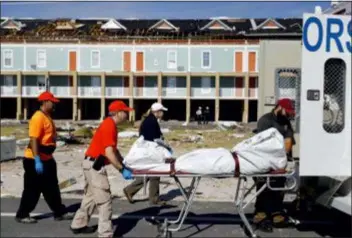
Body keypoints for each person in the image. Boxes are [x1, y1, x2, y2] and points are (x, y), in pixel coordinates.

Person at [70, 100, 134, 237]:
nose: (127, 115)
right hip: (95, 166)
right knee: (104, 201)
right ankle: (105, 234)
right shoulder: (109, 126)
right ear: (118, 113)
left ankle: (78, 224)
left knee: (91, 196)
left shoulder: (110, 125)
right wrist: (122, 170)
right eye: (125, 112)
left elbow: (114, 151)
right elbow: (109, 153)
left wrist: (124, 165)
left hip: (89, 164)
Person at [15, 91, 74, 223]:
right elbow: (34, 139)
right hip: (35, 159)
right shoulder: (38, 118)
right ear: (45, 102)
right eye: (52, 102)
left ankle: (59, 212)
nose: (54, 105)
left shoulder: (47, 117)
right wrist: (37, 160)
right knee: (32, 189)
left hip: (47, 158)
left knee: (52, 188)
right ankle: (22, 214)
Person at [253, 98, 296, 232]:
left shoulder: (286, 122)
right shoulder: (265, 120)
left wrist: (284, 158)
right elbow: (263, 144)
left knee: (278, 188)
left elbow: (288, 142)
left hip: (279, 160)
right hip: (264, 160)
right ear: (279, 107)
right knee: (264, 188)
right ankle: (260, 215)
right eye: (287, 111)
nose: (288, 114)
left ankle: (276, 214)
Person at [123, 102, 168, 205]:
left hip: (147, 150)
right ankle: (154, 198)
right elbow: (154, 139)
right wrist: (164, 145)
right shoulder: (152, 122)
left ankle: (130, 190)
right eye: (162, 111)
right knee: (155, 173)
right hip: (151, 151)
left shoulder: (148, 120)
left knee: (149, 173)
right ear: (157, 112)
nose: (163, 113)